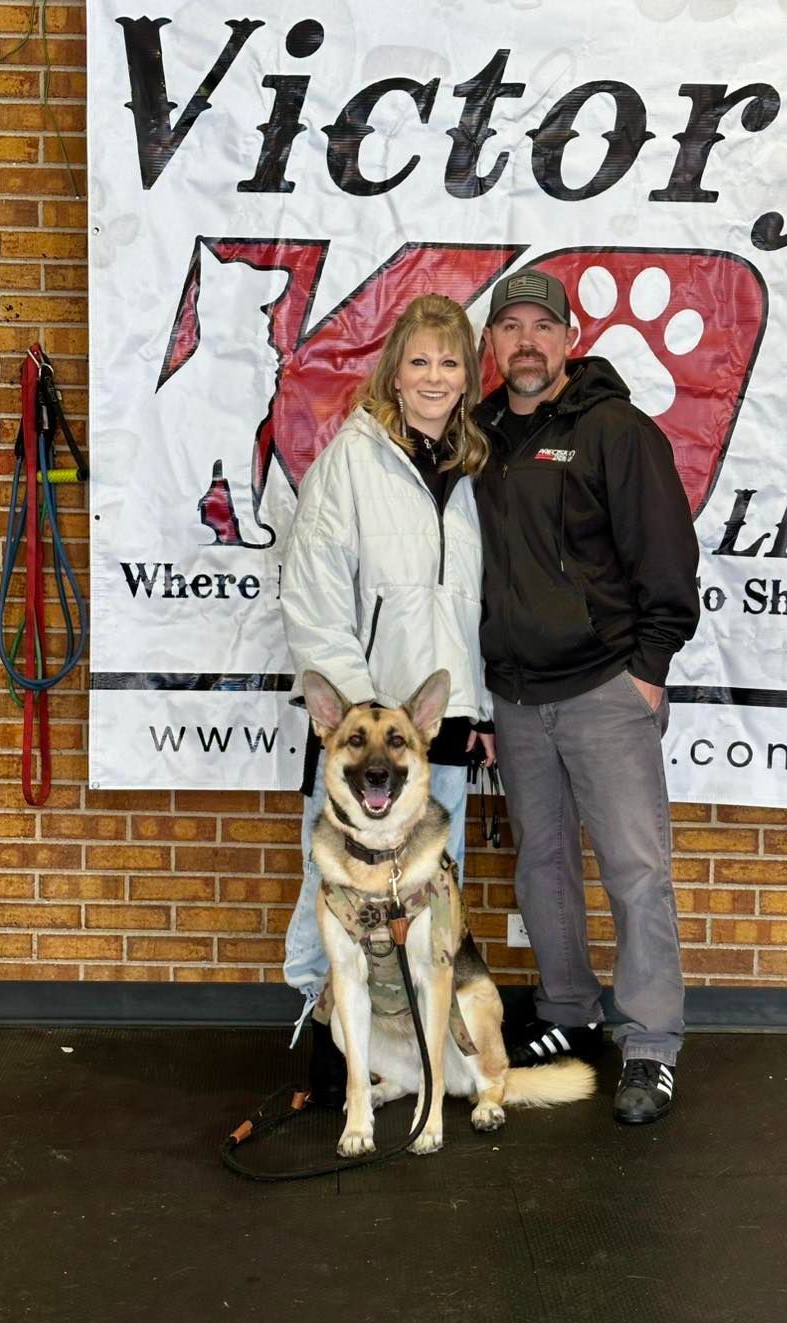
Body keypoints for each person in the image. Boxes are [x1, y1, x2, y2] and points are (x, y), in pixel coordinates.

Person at [473, 269, 700, 1126]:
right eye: (509, 328)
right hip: (517, 700)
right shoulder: (481, 436)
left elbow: (668, 559)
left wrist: (647, 668)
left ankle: (650, 1045)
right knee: (543, 868)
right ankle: (568, 1011)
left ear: (568, 339)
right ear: (492, 345)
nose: (525, 342)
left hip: (606, 686)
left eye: (541, 326)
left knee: (638, 873)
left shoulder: (616, 430)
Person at [280, 293, 496, 1103]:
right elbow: (312, 596)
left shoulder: (476, 471)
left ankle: (415, 1059)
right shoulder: (353, 461)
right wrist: (367, 721)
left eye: (450, 362)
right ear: (393, 374)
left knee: (430, 901)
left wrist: (476, 708)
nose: (435, 377)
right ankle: (323, 1035)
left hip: (439, 732)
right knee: (334, 891)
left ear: (468, 377)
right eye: (420, 361)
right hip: (369, 736)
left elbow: (473, 604)